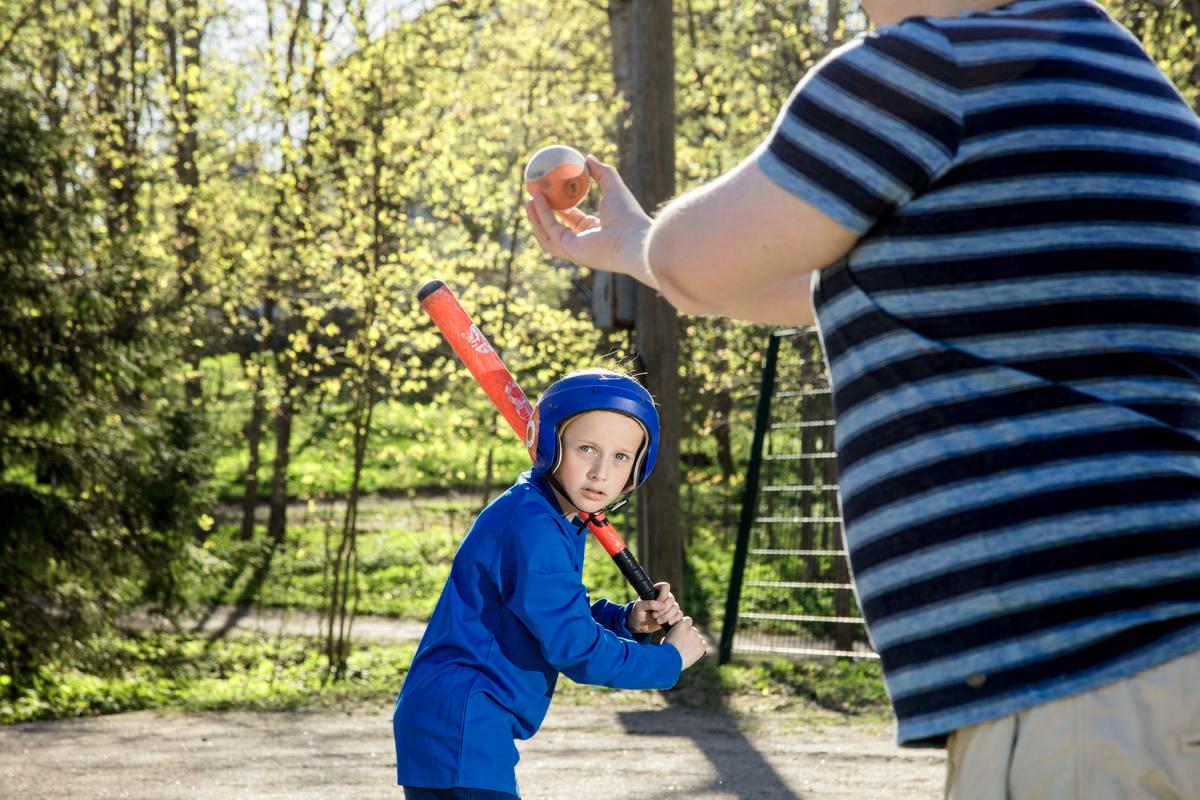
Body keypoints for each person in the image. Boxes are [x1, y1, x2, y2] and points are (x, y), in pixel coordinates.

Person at [525, 0, 1200, 796]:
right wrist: (639, 247)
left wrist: (644, 245)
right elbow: (812, 283)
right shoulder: (1107, 62)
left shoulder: (927, 68)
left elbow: (700, 263)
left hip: (1082, 670)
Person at [392, 369, 708, 800]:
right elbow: (575, 650)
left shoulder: (546, 511)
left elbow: (550, 612)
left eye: (620, 457)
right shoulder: (535, 527)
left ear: (638, 466)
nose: (600, 472)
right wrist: (669, 661)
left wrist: (626, 619)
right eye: (587, 449)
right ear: (550, 445)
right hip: (465, 719)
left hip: (459, 719)